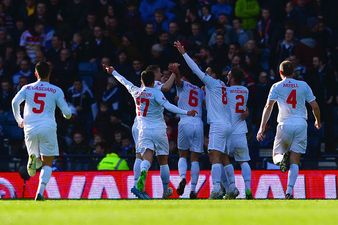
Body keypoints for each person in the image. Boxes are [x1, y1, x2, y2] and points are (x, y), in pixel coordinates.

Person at [104, 65, 197, 199]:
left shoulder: (135, 91)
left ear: (141, 81)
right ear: (153, 81)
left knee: (145, 156)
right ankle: (165, 190)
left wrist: (113, 72)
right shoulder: (157, 93)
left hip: (143, 129)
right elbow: (169, 106)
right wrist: (186, 112)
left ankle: (141, 177)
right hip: (158, 129)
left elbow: (123, 81)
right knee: (163, 160)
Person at [174, 41, 238, 199]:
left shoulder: (212, 82)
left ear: (213, 75)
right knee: (224, 157)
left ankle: (216, 189)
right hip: (228, 124)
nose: (206, 74)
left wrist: (183, 53)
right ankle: (233, 188)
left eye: (208, 72)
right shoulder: (223, 86)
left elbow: (195, 70)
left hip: (217, 124)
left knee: (214, 156)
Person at [257, 60, 321, 199]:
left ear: (280, 72)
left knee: (276, 155)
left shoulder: (276, 86)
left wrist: (262, 128)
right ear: (293, 72)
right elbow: (315, 106)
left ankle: (281, 160)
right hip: (301, 124)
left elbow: (268, 107)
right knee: (295, 160)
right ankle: (288, 192)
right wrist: (317, 120)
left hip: (285, 124)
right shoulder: (303, 85)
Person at [11, 61, 71, 201]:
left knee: (33, 165)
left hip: (29, 127)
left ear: (35, 73)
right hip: (48, 127)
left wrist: (19, 120)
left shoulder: (27, 88)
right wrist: (66, 115)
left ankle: (33, 158)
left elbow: (14, 102)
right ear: (49, 73)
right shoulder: (56, 90)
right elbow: (67, 113)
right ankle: (40, 193)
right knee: (48, 162)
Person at [131, 64, 175, 196]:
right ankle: (165, 190)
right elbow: (166, 87)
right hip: (153, 126)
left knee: (139, 156)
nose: (161, 75)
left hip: (138, 124)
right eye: (159, 72)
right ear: (153, 74)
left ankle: (137, 186)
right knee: (162, 159)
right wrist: (174, 73)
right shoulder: (154, 85)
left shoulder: (141, 87)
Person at [169, 63, 204, 199]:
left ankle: (183, 178)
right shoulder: (200, 91)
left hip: (185, 120)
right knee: (195, 158)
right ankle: (193, 190)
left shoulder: (183, 84)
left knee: (182, 155)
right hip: (198, 122)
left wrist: (176, 72)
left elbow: (178, 81)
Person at [222, 68, 252, 199]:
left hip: (228, 131)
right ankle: (248, 189)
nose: (227, 77)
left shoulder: (226, 91)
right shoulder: (246, 91)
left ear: (233, 78)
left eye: (229, 75)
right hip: (240, 131)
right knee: (244, 161)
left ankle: (232, 188)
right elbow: (243, 108)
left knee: (222, 158)